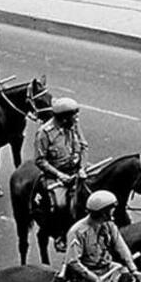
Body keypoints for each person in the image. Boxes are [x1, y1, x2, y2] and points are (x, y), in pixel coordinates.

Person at [33, 97, 88, 235]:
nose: (76, 119)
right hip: (55, 176)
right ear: (64, 118)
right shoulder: (44, 133)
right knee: (61, 205)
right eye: (73, 116)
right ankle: (61, 234)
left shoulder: (73, 125)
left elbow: (83, 146)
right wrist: (60, 175)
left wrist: (82, 167)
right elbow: (40, 160)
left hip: (76, 171)